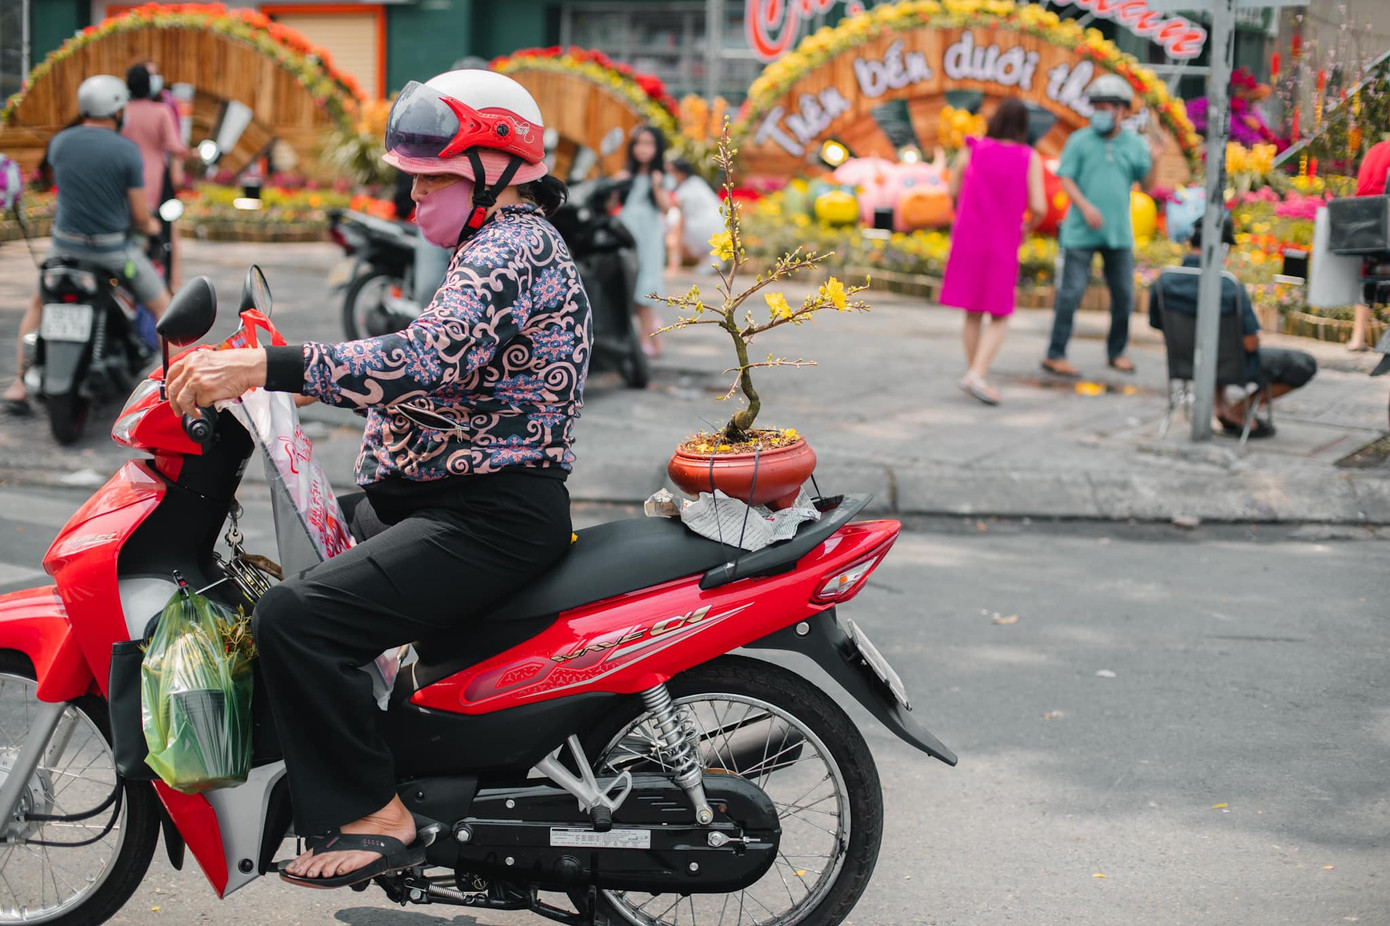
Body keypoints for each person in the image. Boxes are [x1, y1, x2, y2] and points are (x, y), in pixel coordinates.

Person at [162, 69, 591, 888]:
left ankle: (374, 810)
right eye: (414, 178)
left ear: (494, 170)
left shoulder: (512, 248)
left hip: (485, 518)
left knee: (296, 618)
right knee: (315, 568)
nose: (415, 196)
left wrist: (268, 365)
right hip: (445, 503)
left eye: (433, 179)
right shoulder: (495, 246)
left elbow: (422, 360)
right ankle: (401, 758)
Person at [3, 75, 169, 413]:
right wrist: (152, 225)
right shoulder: (126, 150)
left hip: (64, 250)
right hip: (111, 253)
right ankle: (173, 387)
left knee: (38, 305)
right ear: (116, 110)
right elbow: (139, 215)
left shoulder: (61, 143)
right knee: (166, 309)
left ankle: (19, 385)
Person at [1151, 217, 1317, 438]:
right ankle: (1238, 411)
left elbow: (1156, 324)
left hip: (1185, 362)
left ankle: (1220, 407)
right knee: (1303, 364)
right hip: (1231, 366)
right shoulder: (1228, 285)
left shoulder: (1165, 281)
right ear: (1224, 247)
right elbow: (1250, 344)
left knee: (1217, 347)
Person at [1043, 74, 1158, 378]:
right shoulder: (1079, 140)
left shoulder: (1133, 144)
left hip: (1118, 233)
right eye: (1096, 107)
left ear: (1122, 111)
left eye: (1106, 108)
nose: (1100, 113)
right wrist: (1085, 206)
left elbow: (1147, 182)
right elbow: (1065, 177)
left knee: (1124, 295)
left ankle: (1117, 351)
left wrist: (1155, 159)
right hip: (1080, 232)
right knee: (1070, 293)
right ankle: (1055, 354)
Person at [938, 99, 1046, 405]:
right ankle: (977, 374)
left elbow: (953, 190)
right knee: (1000, 313)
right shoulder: (1028, 157)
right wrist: (1028, 226)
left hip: (969, 236)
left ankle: (975, 373)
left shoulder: (972, 148)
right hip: (1003, 238)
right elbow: (1039, 206)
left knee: (972, 310)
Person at [123, 61, 188, 287]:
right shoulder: (161, 112)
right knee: (163, 234)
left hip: (125, 184)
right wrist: (193, 154)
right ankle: (166, 282)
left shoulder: (121, 112)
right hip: (156, 184)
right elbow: (174, 146)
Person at [615, 125, 671, 354]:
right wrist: (615, 184)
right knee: (630, 283)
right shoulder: (626, 176)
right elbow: (612, 205)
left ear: (657, 148)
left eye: (649, 143)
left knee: (644, 283)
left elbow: (666, 207)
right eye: (639, 143)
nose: (643, 149)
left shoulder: (659, 177)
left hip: (648, 236)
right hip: (627, 233)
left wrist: (657, 186)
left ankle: (647, 342)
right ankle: (651, 339)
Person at [1345, 136, 1390, 351]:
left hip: (1364, 222)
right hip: (1385, 220)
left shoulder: (1375, 149)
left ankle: (1357, 338)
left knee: (1369, 277)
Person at [665, 158, 724, 274]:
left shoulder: (686, 190)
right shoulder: (697, 183)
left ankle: (675, 266)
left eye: (671, 172)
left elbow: (680, 221)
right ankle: (710, 262)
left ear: (681, 173)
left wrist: (674, 245)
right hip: (719, 226)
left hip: (705, 228)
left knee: (672, 218)